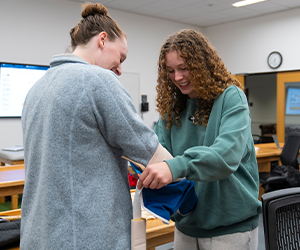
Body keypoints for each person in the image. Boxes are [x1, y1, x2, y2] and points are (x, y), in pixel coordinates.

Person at [21, 3, 169, 249]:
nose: (120, 69)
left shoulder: (37, 88)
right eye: (120, 58)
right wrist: (184, 173)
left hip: (40, 234)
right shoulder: (98, 80)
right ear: (102, 40)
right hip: (87, 235)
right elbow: (148, 151)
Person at [138, 29, 262, 250]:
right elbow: (158, 152)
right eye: (170, 71)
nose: (177, 77)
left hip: (230, 227)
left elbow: (225, 155)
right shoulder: (172, 107)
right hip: (186, 224)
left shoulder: (231, 97)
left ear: (202, 64)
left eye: (184, 68)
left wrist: (175, 167)